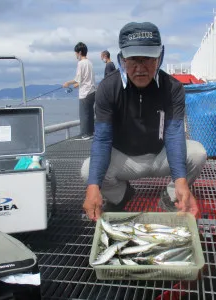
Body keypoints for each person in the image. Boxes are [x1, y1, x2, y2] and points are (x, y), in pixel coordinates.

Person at [81, 22, 207, 221]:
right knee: (89, 171)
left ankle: (172, 196)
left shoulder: (173, 88)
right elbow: (102, 139)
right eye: (133, 60)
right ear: (122, 59)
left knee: (197, 153)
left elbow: (174, 134)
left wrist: (181, 181)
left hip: (159, 156)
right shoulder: (107, 88)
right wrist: (93, 187)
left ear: (160, 57)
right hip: (126, 160)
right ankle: (122, 195)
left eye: (148, 59)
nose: (140, 68)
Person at [63, 42, 96, 140]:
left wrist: (67, 83)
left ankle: (84, 134)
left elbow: (77, 78)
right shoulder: (90, 63)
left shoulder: (81, 63)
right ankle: (90, 133)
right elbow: (86, 78)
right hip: (92, 91)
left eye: (76, 53)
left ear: (80, 52)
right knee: (90, 113)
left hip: (85, 92)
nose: (76, 55)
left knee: (84, 114)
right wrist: (78, 84)